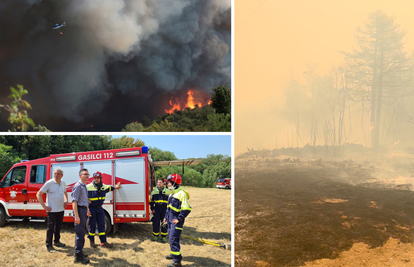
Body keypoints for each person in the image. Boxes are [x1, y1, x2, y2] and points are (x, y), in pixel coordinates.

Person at [36, 168, 68, 253]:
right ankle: (49, 245)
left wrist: (66, 200)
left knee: (58, 227)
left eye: (58, 174)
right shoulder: (49, 183)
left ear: (62, 175)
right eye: (55, 173)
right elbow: (38, 194)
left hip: (60, 209)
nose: (56, 175)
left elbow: (65, 192)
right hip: (52, 210)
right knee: (50, 228)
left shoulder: (63, 183)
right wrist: (44, 206)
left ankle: (57, 241)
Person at [87, 171, 121, 248]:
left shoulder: (104, 187)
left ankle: (103, 242)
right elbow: (81, 196)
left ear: (101, 178)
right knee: (91, 225)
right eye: (95, 178)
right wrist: (86, 201)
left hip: (100, 209)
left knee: (101, 225)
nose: (96, 179)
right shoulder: (88, 187)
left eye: (98, 178)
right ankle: (91, 241)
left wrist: (116, 187)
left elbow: (110, 188)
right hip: (91, 209)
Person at [163, 174, 191, 267]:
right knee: (171, 238)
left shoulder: (181, 193)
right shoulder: (172, 193)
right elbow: (169, 208)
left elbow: (186, 209)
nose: (168, 184)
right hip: (170, 219)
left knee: (173, 239)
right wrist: (165, 218)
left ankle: (177, 261)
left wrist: (179, 219)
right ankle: (173, 254)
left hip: (176, 220)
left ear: (175, 183)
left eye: (170, 183)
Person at [71, 168, 91, 264]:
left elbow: (83, 200)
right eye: (85, 174)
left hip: (83, 210)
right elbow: (74, 201)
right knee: (79, 234)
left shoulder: (84, 185)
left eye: (87, 174)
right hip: (78, 211)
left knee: (82, 233)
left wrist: (87, 209)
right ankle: (78, 257)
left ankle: (80, 252)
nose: (87, 175)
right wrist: (77, 216)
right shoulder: (78, 186)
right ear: (80, 175)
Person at [150, 178, 170, 243]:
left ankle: (163, 237)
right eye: (158, 182)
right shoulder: (154, 192)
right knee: (155, 223)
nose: (158, 183)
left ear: (163, 183)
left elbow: (171, 201)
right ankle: (155, 236)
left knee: (164, 223)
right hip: (157, 209)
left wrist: (169, 210)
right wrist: (152, 209)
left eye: (160, 182)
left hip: (165, 209)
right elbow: (151, 202)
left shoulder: (168, 191)